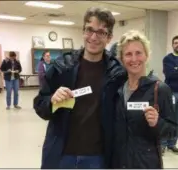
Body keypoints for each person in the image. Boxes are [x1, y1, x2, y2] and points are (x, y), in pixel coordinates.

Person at [33, 7, 125, 169]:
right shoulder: (62, 65)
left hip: (98, 158)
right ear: (83, 31)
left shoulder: (117, 72)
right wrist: (52, 101)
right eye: (89, 30)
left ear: (109, 37)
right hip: (61, 154)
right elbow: (40, 104)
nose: (94, 37)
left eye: (101, 32)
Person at [112, 30, 177, 169]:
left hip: (146, 163)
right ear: (122, 59)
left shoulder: (160, 89)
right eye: (128, 54)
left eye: (138, 53)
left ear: (146, 56)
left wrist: (157, 122)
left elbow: (172, 131)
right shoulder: (118, 89)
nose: (134, 59)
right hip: (119, 162)